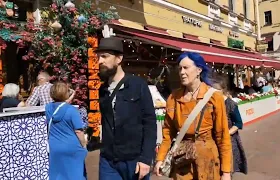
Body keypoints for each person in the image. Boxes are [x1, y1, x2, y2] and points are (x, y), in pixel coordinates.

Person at [154, 52, 232, 180]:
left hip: (208, 160)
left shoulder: (214, 97)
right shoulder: (173, 98)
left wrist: (226, 172)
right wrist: (160, 158)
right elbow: (168, 134)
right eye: (180, 69)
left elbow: (222, 136)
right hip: (183, 160)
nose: (182, 72)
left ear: (199, 70)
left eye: (186, 68)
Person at [96, 37, 157, 180]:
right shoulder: (103, 90)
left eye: (105, 56)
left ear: (119, 59)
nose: (100, 61)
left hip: (134, 160)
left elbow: (149, 122)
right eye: (99, 57)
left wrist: (146, 158)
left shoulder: (137, 85)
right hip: (108, 161)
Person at [45, 81, 87, 179]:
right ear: (66, 93)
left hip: (55, 146)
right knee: (75, 174)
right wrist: (84, 145)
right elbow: (78, 131)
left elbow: (60, 106)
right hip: (72, 146)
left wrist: (68, 95)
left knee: (59, 175)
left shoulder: (48, 108)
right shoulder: (71, 110)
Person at [212, 75, 248, 175]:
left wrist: (227, 133)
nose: (212, 92)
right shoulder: (210, 103)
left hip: (229, 140)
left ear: (222, 89)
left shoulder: (230, 104)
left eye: (215, 89)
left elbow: (238, 123)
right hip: (214, 140)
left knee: (226, 169)